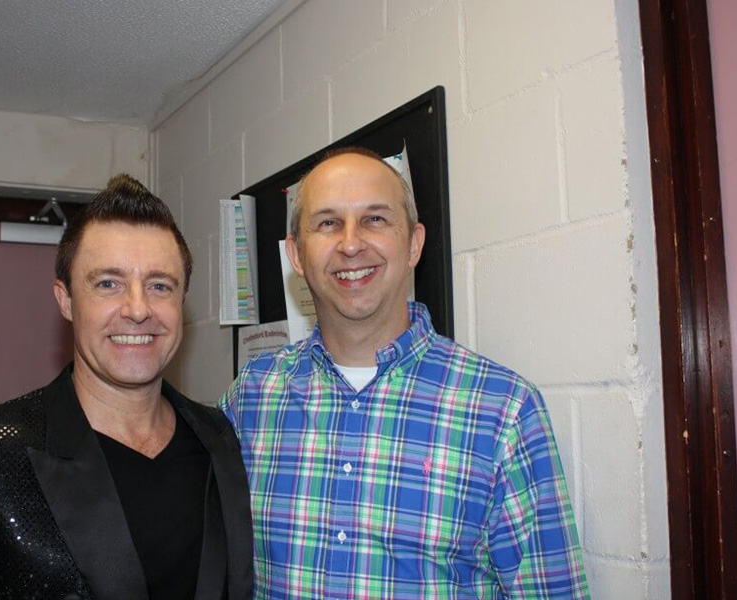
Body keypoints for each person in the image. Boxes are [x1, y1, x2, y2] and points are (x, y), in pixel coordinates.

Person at [221, 148, 588, 598]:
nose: (351, 244)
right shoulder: (251, 397)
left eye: (375, 219)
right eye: (328, 223)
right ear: (296, 254)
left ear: (413, 244)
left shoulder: (504, 411)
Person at [0, 175, 253, 600]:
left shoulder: (221, 439)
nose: (138, 309)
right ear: (66, 300)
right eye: (108, 284)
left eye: (159, 285)